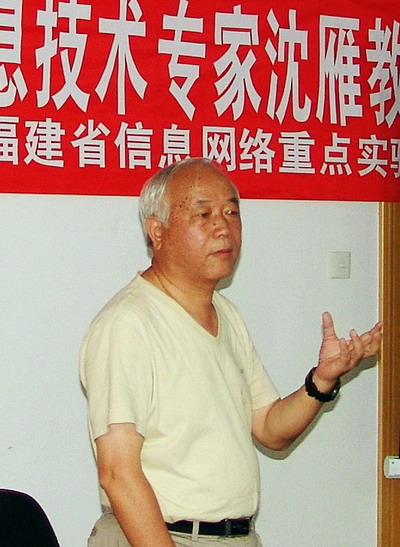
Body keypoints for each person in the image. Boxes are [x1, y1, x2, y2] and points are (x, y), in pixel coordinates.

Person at [80, 157, 382, 546]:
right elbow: (117, 472)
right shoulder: (128, 324)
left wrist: (323, 380)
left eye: (231, 212)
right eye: (203, 214)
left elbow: (270, 428)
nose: (223, 227)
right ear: (157, 231)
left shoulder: (227, 314)